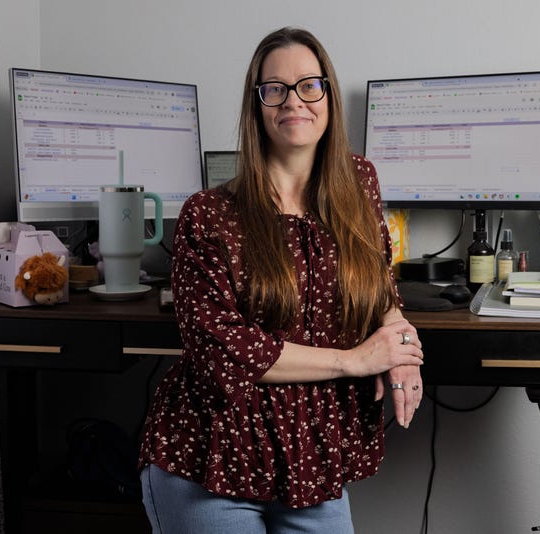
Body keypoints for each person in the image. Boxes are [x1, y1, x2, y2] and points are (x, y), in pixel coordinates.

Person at [137, 27, 424, 533]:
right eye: (275, 89)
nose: (294, 101)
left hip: (311, 460)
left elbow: (381, 291)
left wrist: (401, 350)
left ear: (329, 96)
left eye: (309, 85)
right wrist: (356, 361)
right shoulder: (209, 214)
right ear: (257, 105)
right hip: (214, 456)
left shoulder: (360, 184)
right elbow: (222, 349)